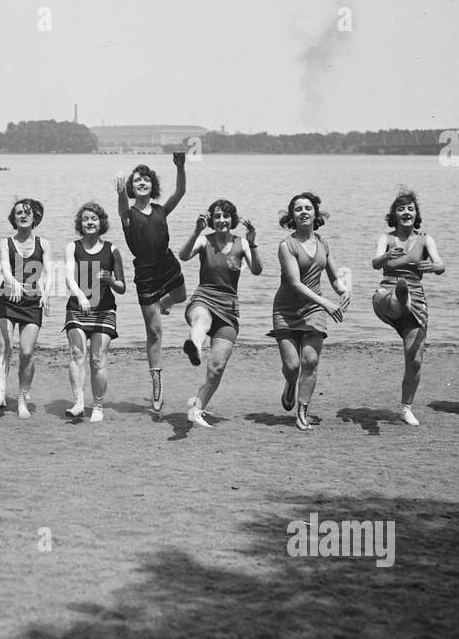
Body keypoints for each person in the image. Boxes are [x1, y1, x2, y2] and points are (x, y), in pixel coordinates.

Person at [268, 192, 349, 432]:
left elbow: (335, 278)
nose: (304, 212)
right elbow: (295, 283)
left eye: (308, 208)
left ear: (316, 214)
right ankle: (290, 383)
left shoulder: (324, 243)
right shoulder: (286, 245)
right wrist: (327, 303)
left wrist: (343, 291)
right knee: (293, 366)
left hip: (314, 309)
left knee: (310, 361)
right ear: (292, 216)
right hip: (286, 310)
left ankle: (302, 411)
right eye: (298, 209)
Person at [177, 200, 262, 427]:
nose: (221, 220)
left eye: (225, 216)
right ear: (211, 220)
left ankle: (197, 409)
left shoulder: (241, 243)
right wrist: (197, 230)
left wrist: (252, 243)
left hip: (229, 309)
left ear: (232, 219)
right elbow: (183, 256)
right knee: (201, 321)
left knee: (216, 368)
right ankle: (195, 345)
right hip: (204, 298)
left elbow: (257, 270)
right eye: (217, 216)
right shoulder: (205, 240)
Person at [116, 155, 187, 413]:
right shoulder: (128, 215)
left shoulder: (160, 210)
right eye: (137, 180)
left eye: (146, 179)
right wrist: (121, 191)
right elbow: (122, 207)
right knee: (155, 332)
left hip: (167, 262)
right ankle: (156, 380)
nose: (142, 182)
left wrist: (180, 167)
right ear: (132, 187)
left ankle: (165, 302)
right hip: (145, 272)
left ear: (152, 184)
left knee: (181, 295)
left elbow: (180, 191)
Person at [369, 190, 445, 426]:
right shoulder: (386, 238)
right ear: (394, 215)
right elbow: (374, 263)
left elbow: (441, 265)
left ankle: (406, 408)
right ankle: (401, 297)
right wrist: (387, 256)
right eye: (401, 209)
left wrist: (432, 267)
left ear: (416, 214)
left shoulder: (425, 239)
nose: (406, 212)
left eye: (410, 209)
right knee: (396, 299)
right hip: (386, 294)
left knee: (416, 360)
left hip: (417, 300)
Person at [63, 202, 127, 421]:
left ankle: (98, 406)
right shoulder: (73, 247)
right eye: (85, 219)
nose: (90, 222)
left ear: (101, 223)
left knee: (97, 360)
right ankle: (79, 402)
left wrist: (111, 280)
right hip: (77, 309)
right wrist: (80, 295)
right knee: (77, 353)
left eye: (94, 219)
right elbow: (69, 277)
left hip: (104, 311)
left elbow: (122, 287)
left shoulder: (113, 250)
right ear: (80, 224)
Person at [0, 197, 52, 418]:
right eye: (19, 212)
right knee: (4, 346)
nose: (23, 215)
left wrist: (45, 293)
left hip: (32, 302)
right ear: (13, 218)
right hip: (6, 298)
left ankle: (22, 396)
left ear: (35, 217)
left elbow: (46, 273)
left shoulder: (43, 244)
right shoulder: (5, 242)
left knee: (26, 352)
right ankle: (0, 393)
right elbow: (6, 269)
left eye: (28, 212)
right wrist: (14, 282)